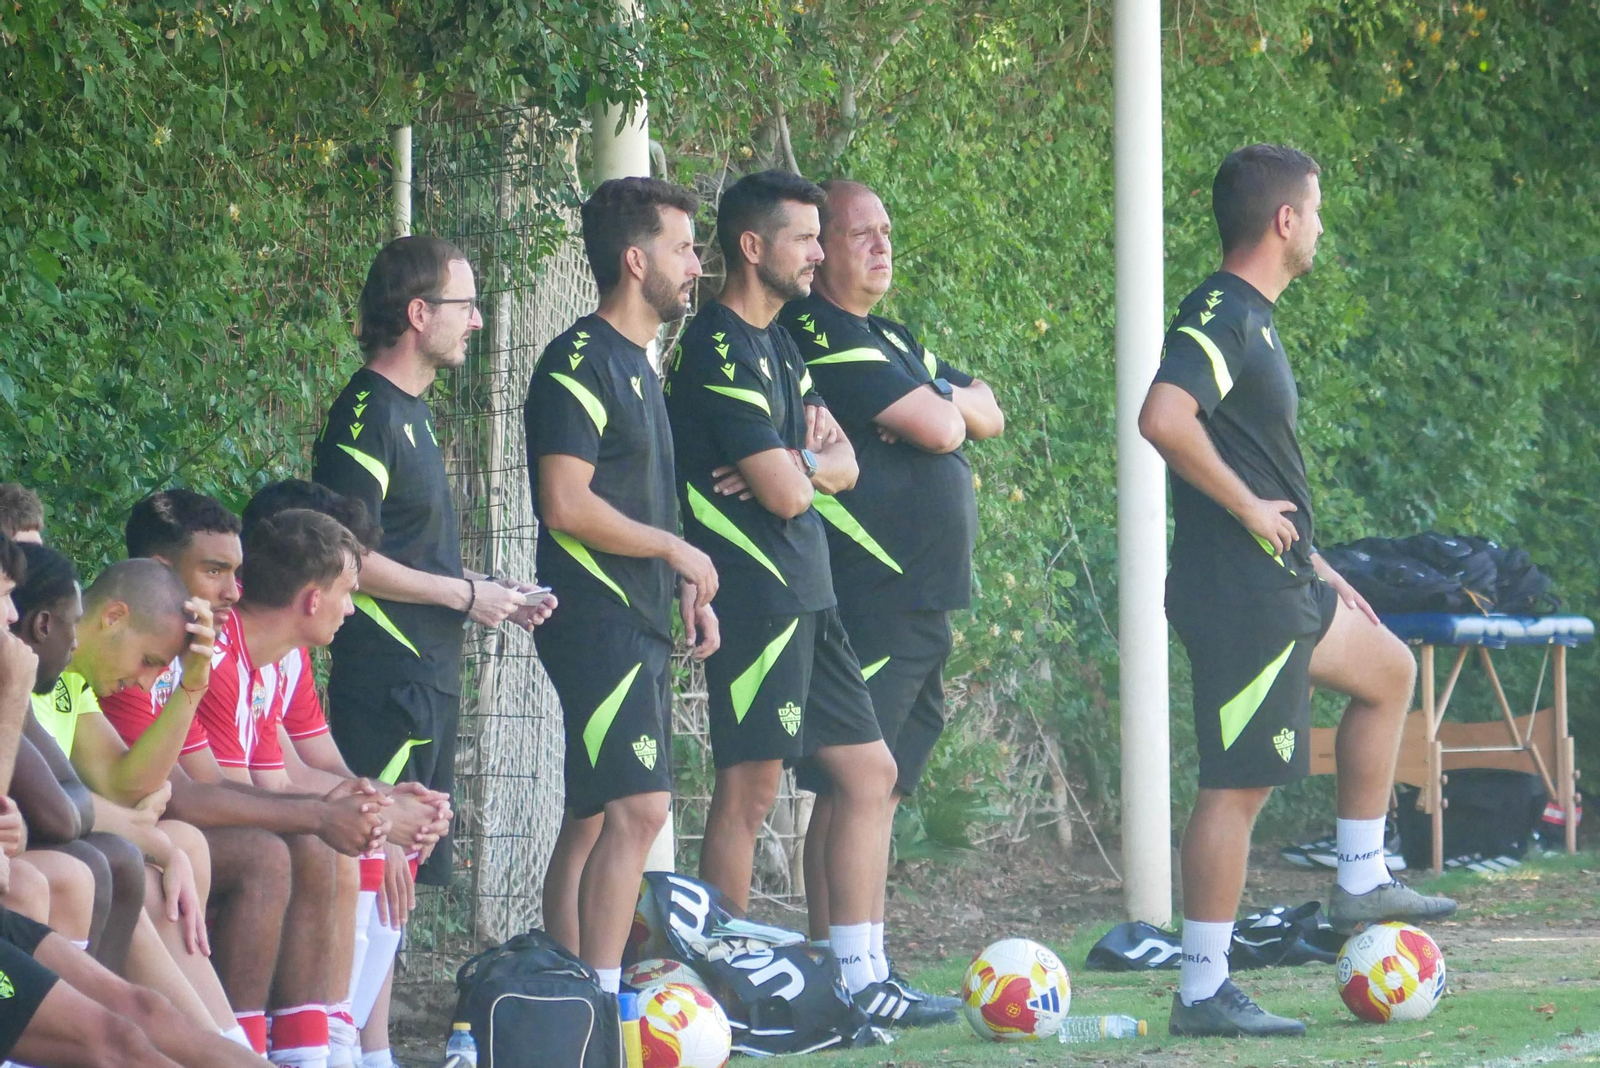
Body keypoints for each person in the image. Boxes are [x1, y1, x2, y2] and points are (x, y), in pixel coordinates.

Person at [1138, 143, 1457, 1038]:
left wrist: (1316, 560)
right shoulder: (1220, 310)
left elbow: (1250, 454)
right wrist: (1247, 508)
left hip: (1283, 580)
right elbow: (1163, 417)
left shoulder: (1256, 318)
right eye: (1314, 211)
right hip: (1239, 593)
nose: (1320, 226)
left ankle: (1361, 878)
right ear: (1285, 220)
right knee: (1237, 788)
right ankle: (1202, 989)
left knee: (1389, 670)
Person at [664, 169, 902, 1017]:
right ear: (752, 245)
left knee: (870, 772)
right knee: (751, 790)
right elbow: (789, 494)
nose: (816, 254)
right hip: (757, 597)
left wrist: (800, 461)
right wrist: (803, 469)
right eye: (804, 238)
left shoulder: (780, 343)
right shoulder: (717, 346)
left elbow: (841, 465)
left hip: (812, 590)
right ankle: (721, 992)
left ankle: (861, 977)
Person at [776, 178, 1004, 1025]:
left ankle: (860, 963)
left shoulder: (891, 337)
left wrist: (933, 402)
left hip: (923, 598)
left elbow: (988, 410)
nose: (882, 245)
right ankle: (845, 972)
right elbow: (949, 428)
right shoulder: (820, 330)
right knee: (851, 782)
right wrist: (941, 409)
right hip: (871, 590)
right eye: (859, 233)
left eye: (887, 229)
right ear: (820, 248)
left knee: (882, 784)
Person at [524, 177, 719, 991]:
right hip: (594, 620)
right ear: (636, 261)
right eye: (684, 249)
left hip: (635, 617)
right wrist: (677, 550)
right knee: (640, 809)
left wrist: (680, 578)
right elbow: (565, 504)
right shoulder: (577, 362)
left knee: (593, 813)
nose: (697, 266)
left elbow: (635, 501)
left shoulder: (640, 365)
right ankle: (603, 1006)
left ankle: (568, 994)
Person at [312, 235, 555, 888]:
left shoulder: (412, 412)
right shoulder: (366, 413)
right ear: (419, 313)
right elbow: (344, 556)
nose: (477, 320)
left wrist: (494, 590)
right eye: (465, 305)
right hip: (388, 683)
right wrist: (466, 598)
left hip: (430, 680)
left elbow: (410, 552)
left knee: (407, 880)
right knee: (372, 879)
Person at [0, 532, 271, 1068]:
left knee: (140, 1013)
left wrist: (192, 687)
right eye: (4, 595)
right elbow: (59, 812)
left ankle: (244, 1050)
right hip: (41, 877)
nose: (12, 614)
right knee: (99, 868)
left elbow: (115, 788)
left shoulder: (54, 686)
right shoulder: (22, 679)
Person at [238, 479, 452, 1068]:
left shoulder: (287, 655)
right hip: (223, 823)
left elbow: (315, 762)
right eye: (348, 586)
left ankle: (359, 1045)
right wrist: (372, 812)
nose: (353, 606)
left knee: (387, 835)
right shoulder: (232, 647)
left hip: (247, 806)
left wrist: (389, 802)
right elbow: (259, 778)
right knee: (348, 843)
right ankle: (322, 1046)